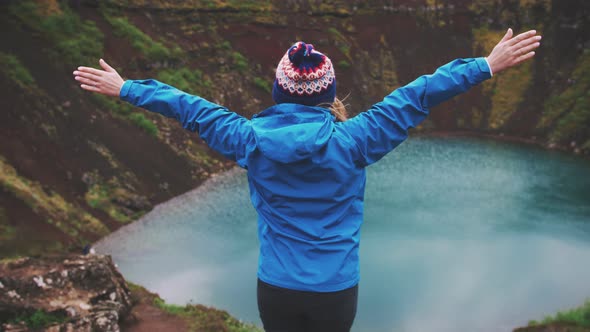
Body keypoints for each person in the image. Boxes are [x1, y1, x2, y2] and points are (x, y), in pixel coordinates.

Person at [74, 28, 541, 332]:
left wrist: (126, 88)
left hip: (275, 286)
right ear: (330, 94)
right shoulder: (357, 140)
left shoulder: (248, 140)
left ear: (279, 90)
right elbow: (416, 96)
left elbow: (189, 108)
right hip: (335, 289)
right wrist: (485, 65)